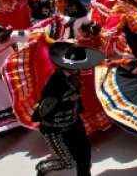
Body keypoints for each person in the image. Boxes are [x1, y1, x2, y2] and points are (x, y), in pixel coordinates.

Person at [34, 42, 105, 176]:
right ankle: (43, 167)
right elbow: (44, 111)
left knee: (85, 156)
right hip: (55, 129)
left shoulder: (74, 76)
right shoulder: (55, 85)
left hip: (75, 123)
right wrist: (65, 100)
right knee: (67, 162)